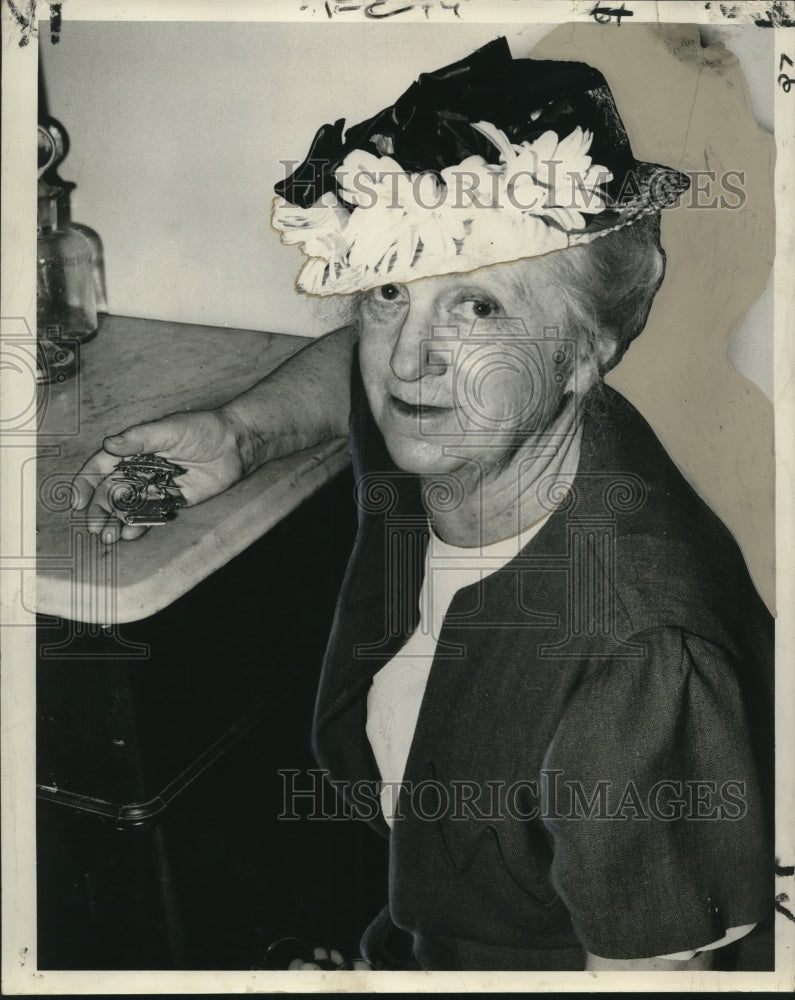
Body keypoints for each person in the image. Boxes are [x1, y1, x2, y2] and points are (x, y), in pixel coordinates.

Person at [72, 38, 774, 972]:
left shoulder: (639, 666)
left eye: (480, 309)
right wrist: (243, 432)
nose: (408, 359)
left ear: (585, 350)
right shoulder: (475, 418)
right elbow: (360, 368)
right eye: (390, 290)